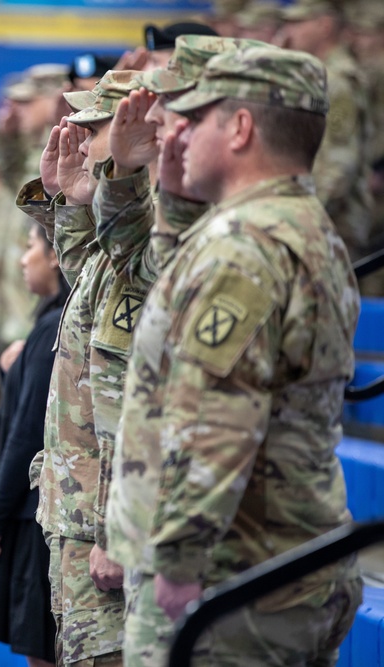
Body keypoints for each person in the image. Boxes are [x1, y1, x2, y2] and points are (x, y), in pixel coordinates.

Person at [109, 46, 363, 666]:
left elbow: (217, 422)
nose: (179, 132)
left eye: (199, 118)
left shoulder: (242, 248)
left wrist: (176, 561)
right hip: (277, 563)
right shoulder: (297, 228)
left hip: (234, 579)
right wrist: (172, 203)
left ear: (242, 128)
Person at [16, 70, 146, 667]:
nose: (77, 137)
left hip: (104, 519)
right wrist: (65, 201)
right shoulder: (113, 252)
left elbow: (126, 404)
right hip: (75, 508)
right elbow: (84, 270)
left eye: (94, 129)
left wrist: (116, 533)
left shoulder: (149, 251)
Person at [0, 221, 69, 667]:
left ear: (57, 255)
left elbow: (26, 435)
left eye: (31, 247)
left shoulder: (53, 326)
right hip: (39, 513)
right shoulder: (49, 322)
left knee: (44, 653)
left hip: (35, 518)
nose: (24, 259)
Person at [277, 0, 374, 264]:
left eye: (298, 22)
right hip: (314, 221)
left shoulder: (337, 80)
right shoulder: (314, 74)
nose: (289, 31)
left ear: (325, 25)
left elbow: (339, 165)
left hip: (331, 224)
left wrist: (298, 220)